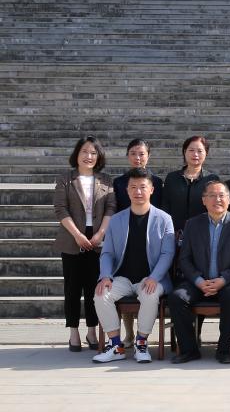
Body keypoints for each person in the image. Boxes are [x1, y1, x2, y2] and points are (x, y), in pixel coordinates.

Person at [91, 168, 175, 363]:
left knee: (150, 294)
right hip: (122, 278)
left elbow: (167, 253)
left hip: (151, 277)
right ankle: (116, 346)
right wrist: (105, 276)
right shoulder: (116, 220)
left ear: (151, 189)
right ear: (127, 191)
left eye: (143, 187)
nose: (138, 192)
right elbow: (107, 253)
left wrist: (154, 277)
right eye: (133, 187)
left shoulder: (164, 219)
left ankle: (141, 343)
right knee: (101, 294)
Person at [168, 180, 230, 364]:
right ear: (204, 200)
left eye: (222, 195)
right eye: (212, 196)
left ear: (229, 199)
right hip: (198, 282)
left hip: (228, 282)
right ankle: (189, 349)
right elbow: (184, 259)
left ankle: (223, 349)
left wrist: (224, 279)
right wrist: (198, 281)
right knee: (177, 297)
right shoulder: (192, 224)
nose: (217, 199)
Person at [54, 136, 115, 353]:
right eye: (84, 152)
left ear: (98, 156)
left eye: (93, 153)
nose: (89, 156)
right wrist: (78, 234)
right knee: (72, 288)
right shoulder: (65, 179)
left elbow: (111, 208)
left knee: (93, 288)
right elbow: (60, 209)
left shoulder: (106, 180)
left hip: (97, 239)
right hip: (72, 238)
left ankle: (91, 331)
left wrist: (101, 233)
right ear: (77, 154)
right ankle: (73, 332)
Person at [164, 135, 219, 235]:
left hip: (203, 234)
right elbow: (165, 206)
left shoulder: (212, 179)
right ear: (185, 152)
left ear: (206, 153)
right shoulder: (172, 178)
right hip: (174, 234)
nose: (195, 154)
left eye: (200, 151)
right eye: (191, 150)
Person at [112, 138, 163, 212]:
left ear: (148, 156)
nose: (137, 158)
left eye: (141, 154)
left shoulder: (157, 182)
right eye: (133, 154)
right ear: (128, 155)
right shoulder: (118, 182)